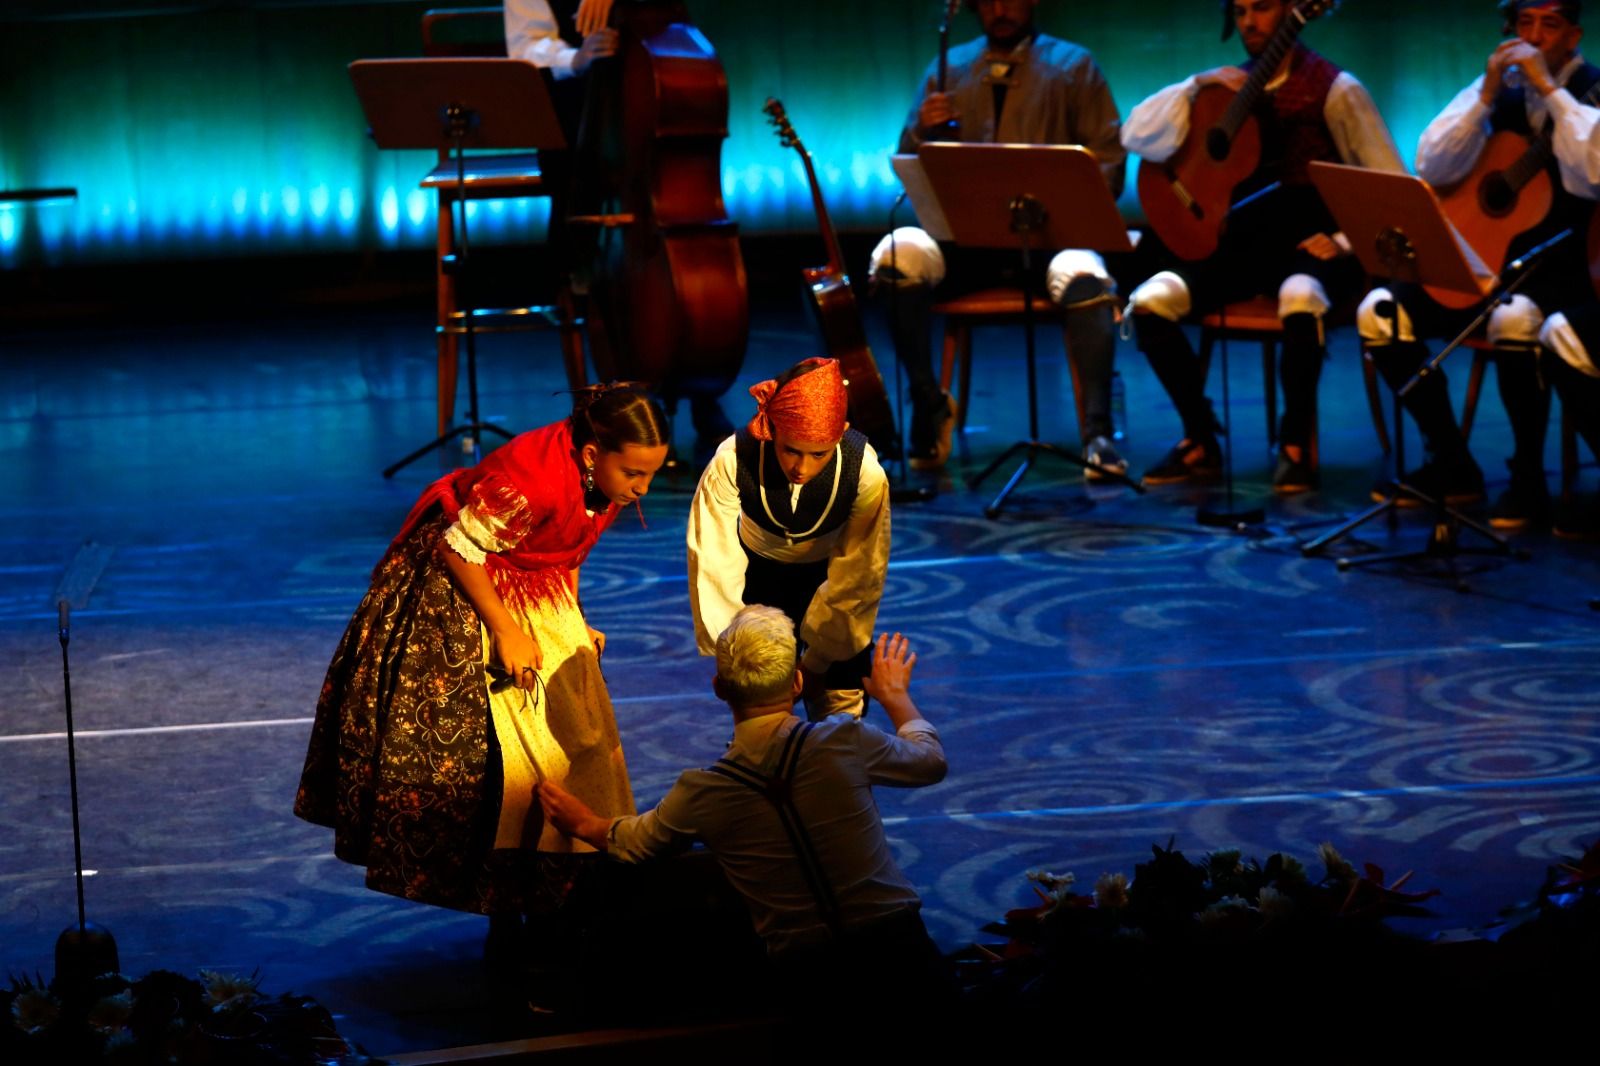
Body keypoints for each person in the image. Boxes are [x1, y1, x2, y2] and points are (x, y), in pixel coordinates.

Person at [293, 385, 669, 964]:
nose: (643, 488)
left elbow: (561, 553)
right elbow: (460, 549)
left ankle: (556, 898)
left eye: (652, 473)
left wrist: (573, 617)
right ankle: (507, 911)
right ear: (594, 453)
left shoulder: (602, 481)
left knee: (581, 739)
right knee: (501, 762)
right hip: (467, 583)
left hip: (528, 582)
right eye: (636, 472)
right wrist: (505, 630)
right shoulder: (533, 479)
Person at [535, 608, 950, 1016]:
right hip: (901, 954)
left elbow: (634, 843)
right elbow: (929, 761)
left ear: (719, 687)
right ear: (798, 683)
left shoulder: (702, 791)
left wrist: (583, 822)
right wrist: (895, 697)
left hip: (808, 978)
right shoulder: (843, 740)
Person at [1122, 0, 1405, 493]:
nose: (1250, 22)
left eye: (1264, 8)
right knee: (1149, 303)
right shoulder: (1225, 87)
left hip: (1310, 246)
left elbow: (1392, 190)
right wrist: (1195, 87)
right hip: (1241, 246)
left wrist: (1342, 241)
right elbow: (1138, 136)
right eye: (1241, 10)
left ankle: (1294, 443)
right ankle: (1200, 435)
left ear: (1292, 10)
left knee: (1299, 294)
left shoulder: (1336, 90)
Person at [1358, 0, 1598, 526]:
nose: (1532, 38)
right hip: (1478, 260)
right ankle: (1452, 461)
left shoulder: (1590, 93)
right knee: (1378, 310)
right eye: (1524, 24)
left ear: (1574, 36)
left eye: (1549, 25)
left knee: (1514, 319)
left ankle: (1528, 481)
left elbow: (1594, 172)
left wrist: (1553, 94)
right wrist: (1487, 93)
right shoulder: (1496, 92)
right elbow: (1432, 161)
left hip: (1555, 268)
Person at [869, 0, 1128, 476]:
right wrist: (921, 130)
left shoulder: (1074, 66)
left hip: (1049, 241)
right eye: (988, 0)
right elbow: (912, 171)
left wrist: (1068, 197)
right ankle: (929, 404)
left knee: (1087, 272)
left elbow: (1108, 163)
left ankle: (1098, 431)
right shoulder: (950, 69)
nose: (1000, 8)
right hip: (966, 246)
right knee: (895, 256)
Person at [504, 0, 736, 465]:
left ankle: (698, 387)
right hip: (585, 134)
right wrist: (577, 57)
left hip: (652, 147)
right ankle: (629, 399)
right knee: (598, 249)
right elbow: (526, 47)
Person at [687, 358, 889, 721]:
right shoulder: (733, 459)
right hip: (758, 580)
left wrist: (817, 661)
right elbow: (714, 559)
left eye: (819, 454)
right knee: (762, 709)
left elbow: (861, 571)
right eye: (791, 450)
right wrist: (731, 644)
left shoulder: (866, 473)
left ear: (840, 434)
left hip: (831, 578)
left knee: (841, 709)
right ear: (773, 430)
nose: (802, 468)